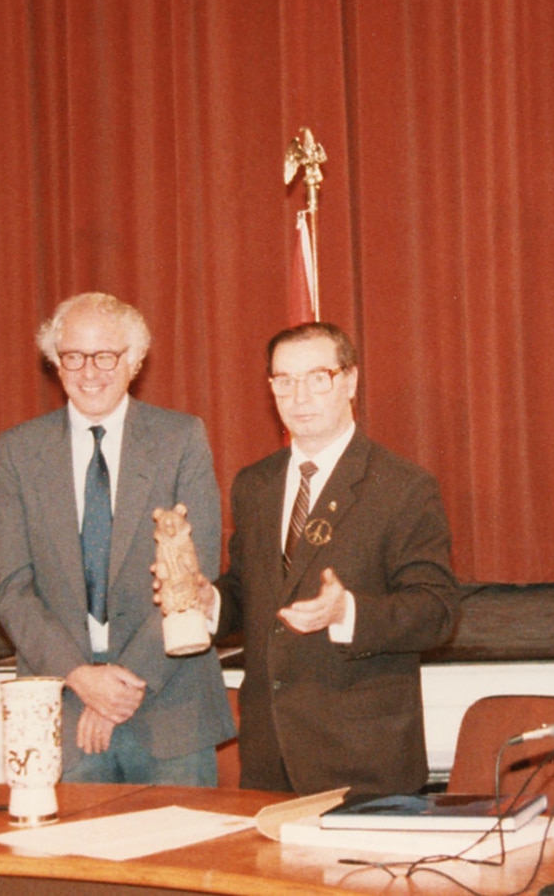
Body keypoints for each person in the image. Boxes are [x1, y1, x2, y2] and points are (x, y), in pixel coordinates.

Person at [191, 321, 462, 797]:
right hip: (269, 756)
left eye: (318, 378)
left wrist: (347, 612)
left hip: (362, 759)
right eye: (284, 381)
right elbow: (248, 592)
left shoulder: (402, 487)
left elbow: (436, 612)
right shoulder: (255, 484)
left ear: (350, 381)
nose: (300, 396)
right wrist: (207, 599)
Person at [0, 292, 233, 784]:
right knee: (73, 858)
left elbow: (192, 579)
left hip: (170, 706)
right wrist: (82, 679)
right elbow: (12, 590)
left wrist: (119, 688)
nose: (89, 372)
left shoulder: (181, 439)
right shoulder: (19, 450)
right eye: (73, 356)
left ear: (135, 361)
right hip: (64, 706)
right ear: (56, 363)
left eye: (106, 356)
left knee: (179, 859)